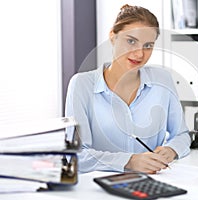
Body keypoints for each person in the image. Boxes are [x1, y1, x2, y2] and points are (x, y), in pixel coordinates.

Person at [65, 4, 191, 174]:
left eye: (148, 45)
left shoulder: (163, 80)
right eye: (131, 41)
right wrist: (129, 162)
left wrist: (171, 150)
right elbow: (77, 154)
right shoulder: (82, 85)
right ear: (113, 36)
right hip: (99, 188)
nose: (139, 54)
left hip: (154, 182)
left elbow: (181, 135)